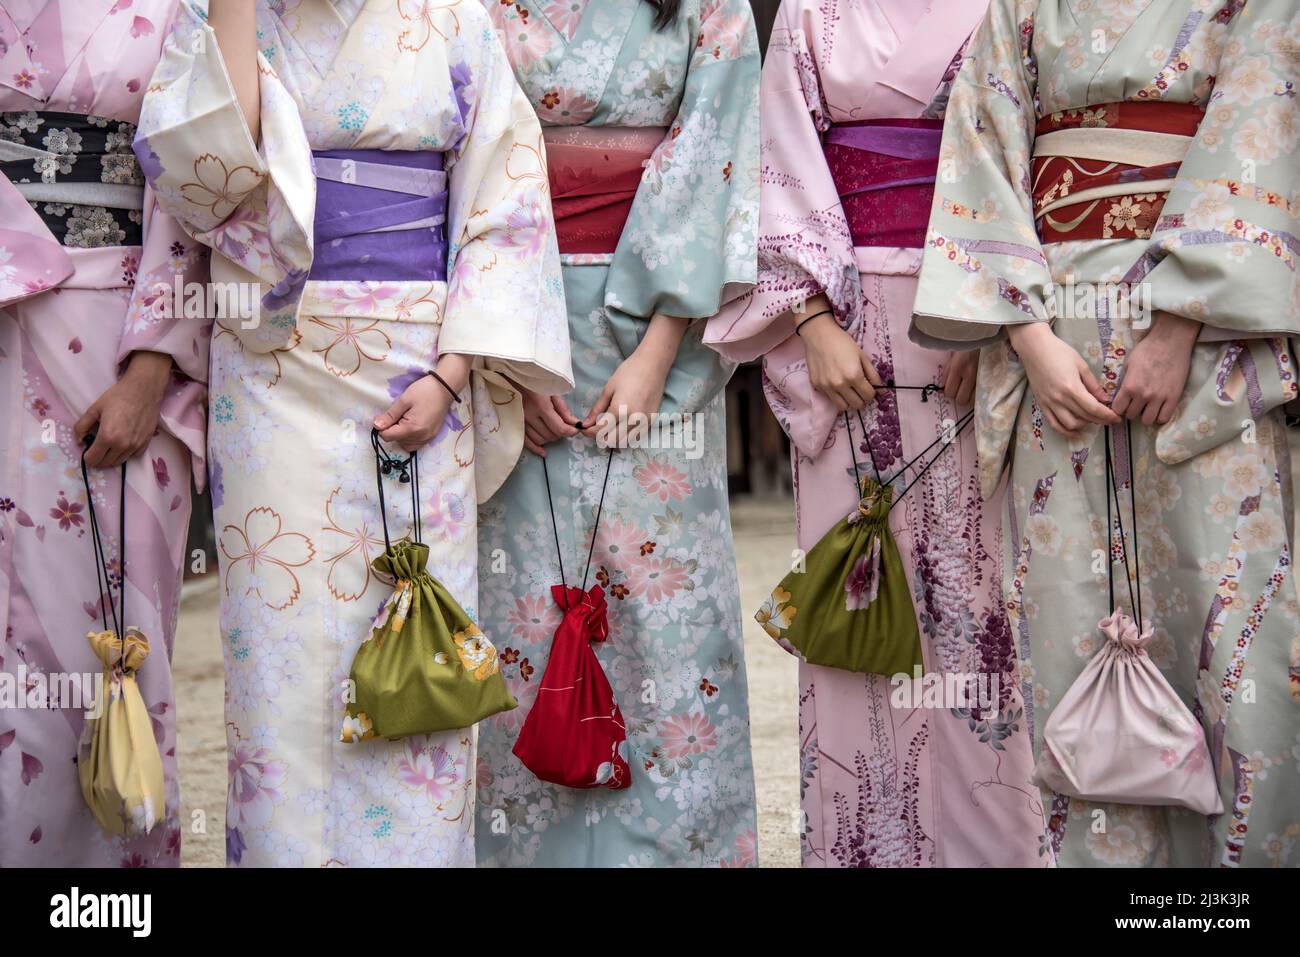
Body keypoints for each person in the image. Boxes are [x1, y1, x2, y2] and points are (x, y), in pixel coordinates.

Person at [135, 0, 572, 867]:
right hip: (270, 366)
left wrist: (454, 374)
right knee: (279, 663)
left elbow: (506, 200)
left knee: (419, 644)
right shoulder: (224, 13)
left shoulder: (453, 17)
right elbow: (209, 187)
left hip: (419, 369)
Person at [909, 0, 1300, 867]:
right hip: (1057, 332)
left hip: (1205, 339)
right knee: (1071, 623)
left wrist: (1181, 319)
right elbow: (981, 142)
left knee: (1230, 620)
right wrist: (1029, 339)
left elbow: (1260, 117)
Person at [705, 0, 1043, 867]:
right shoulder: (812, 14)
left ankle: (992, 847)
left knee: (981, 602)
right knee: (860, 593)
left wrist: (985, 312)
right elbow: (771, 157)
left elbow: (1031, 149)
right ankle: (864, 847)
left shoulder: (1014, 7)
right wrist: (812, 324)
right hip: (846, 325)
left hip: (970, 317)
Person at [473, 0, 761, 867]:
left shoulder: (712, 9)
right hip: (519, 316)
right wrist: (507, 364)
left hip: (650, 337)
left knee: (666, 612)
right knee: (528, 605)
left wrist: (658, 349)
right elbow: (474, 159)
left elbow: (716, 146)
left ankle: (677, 849)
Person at [0, 0, 210, 866]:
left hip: (125, 338)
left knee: (115, 629)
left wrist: (152, 368)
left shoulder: (182, 9)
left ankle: (112, 890)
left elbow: (199, 187)